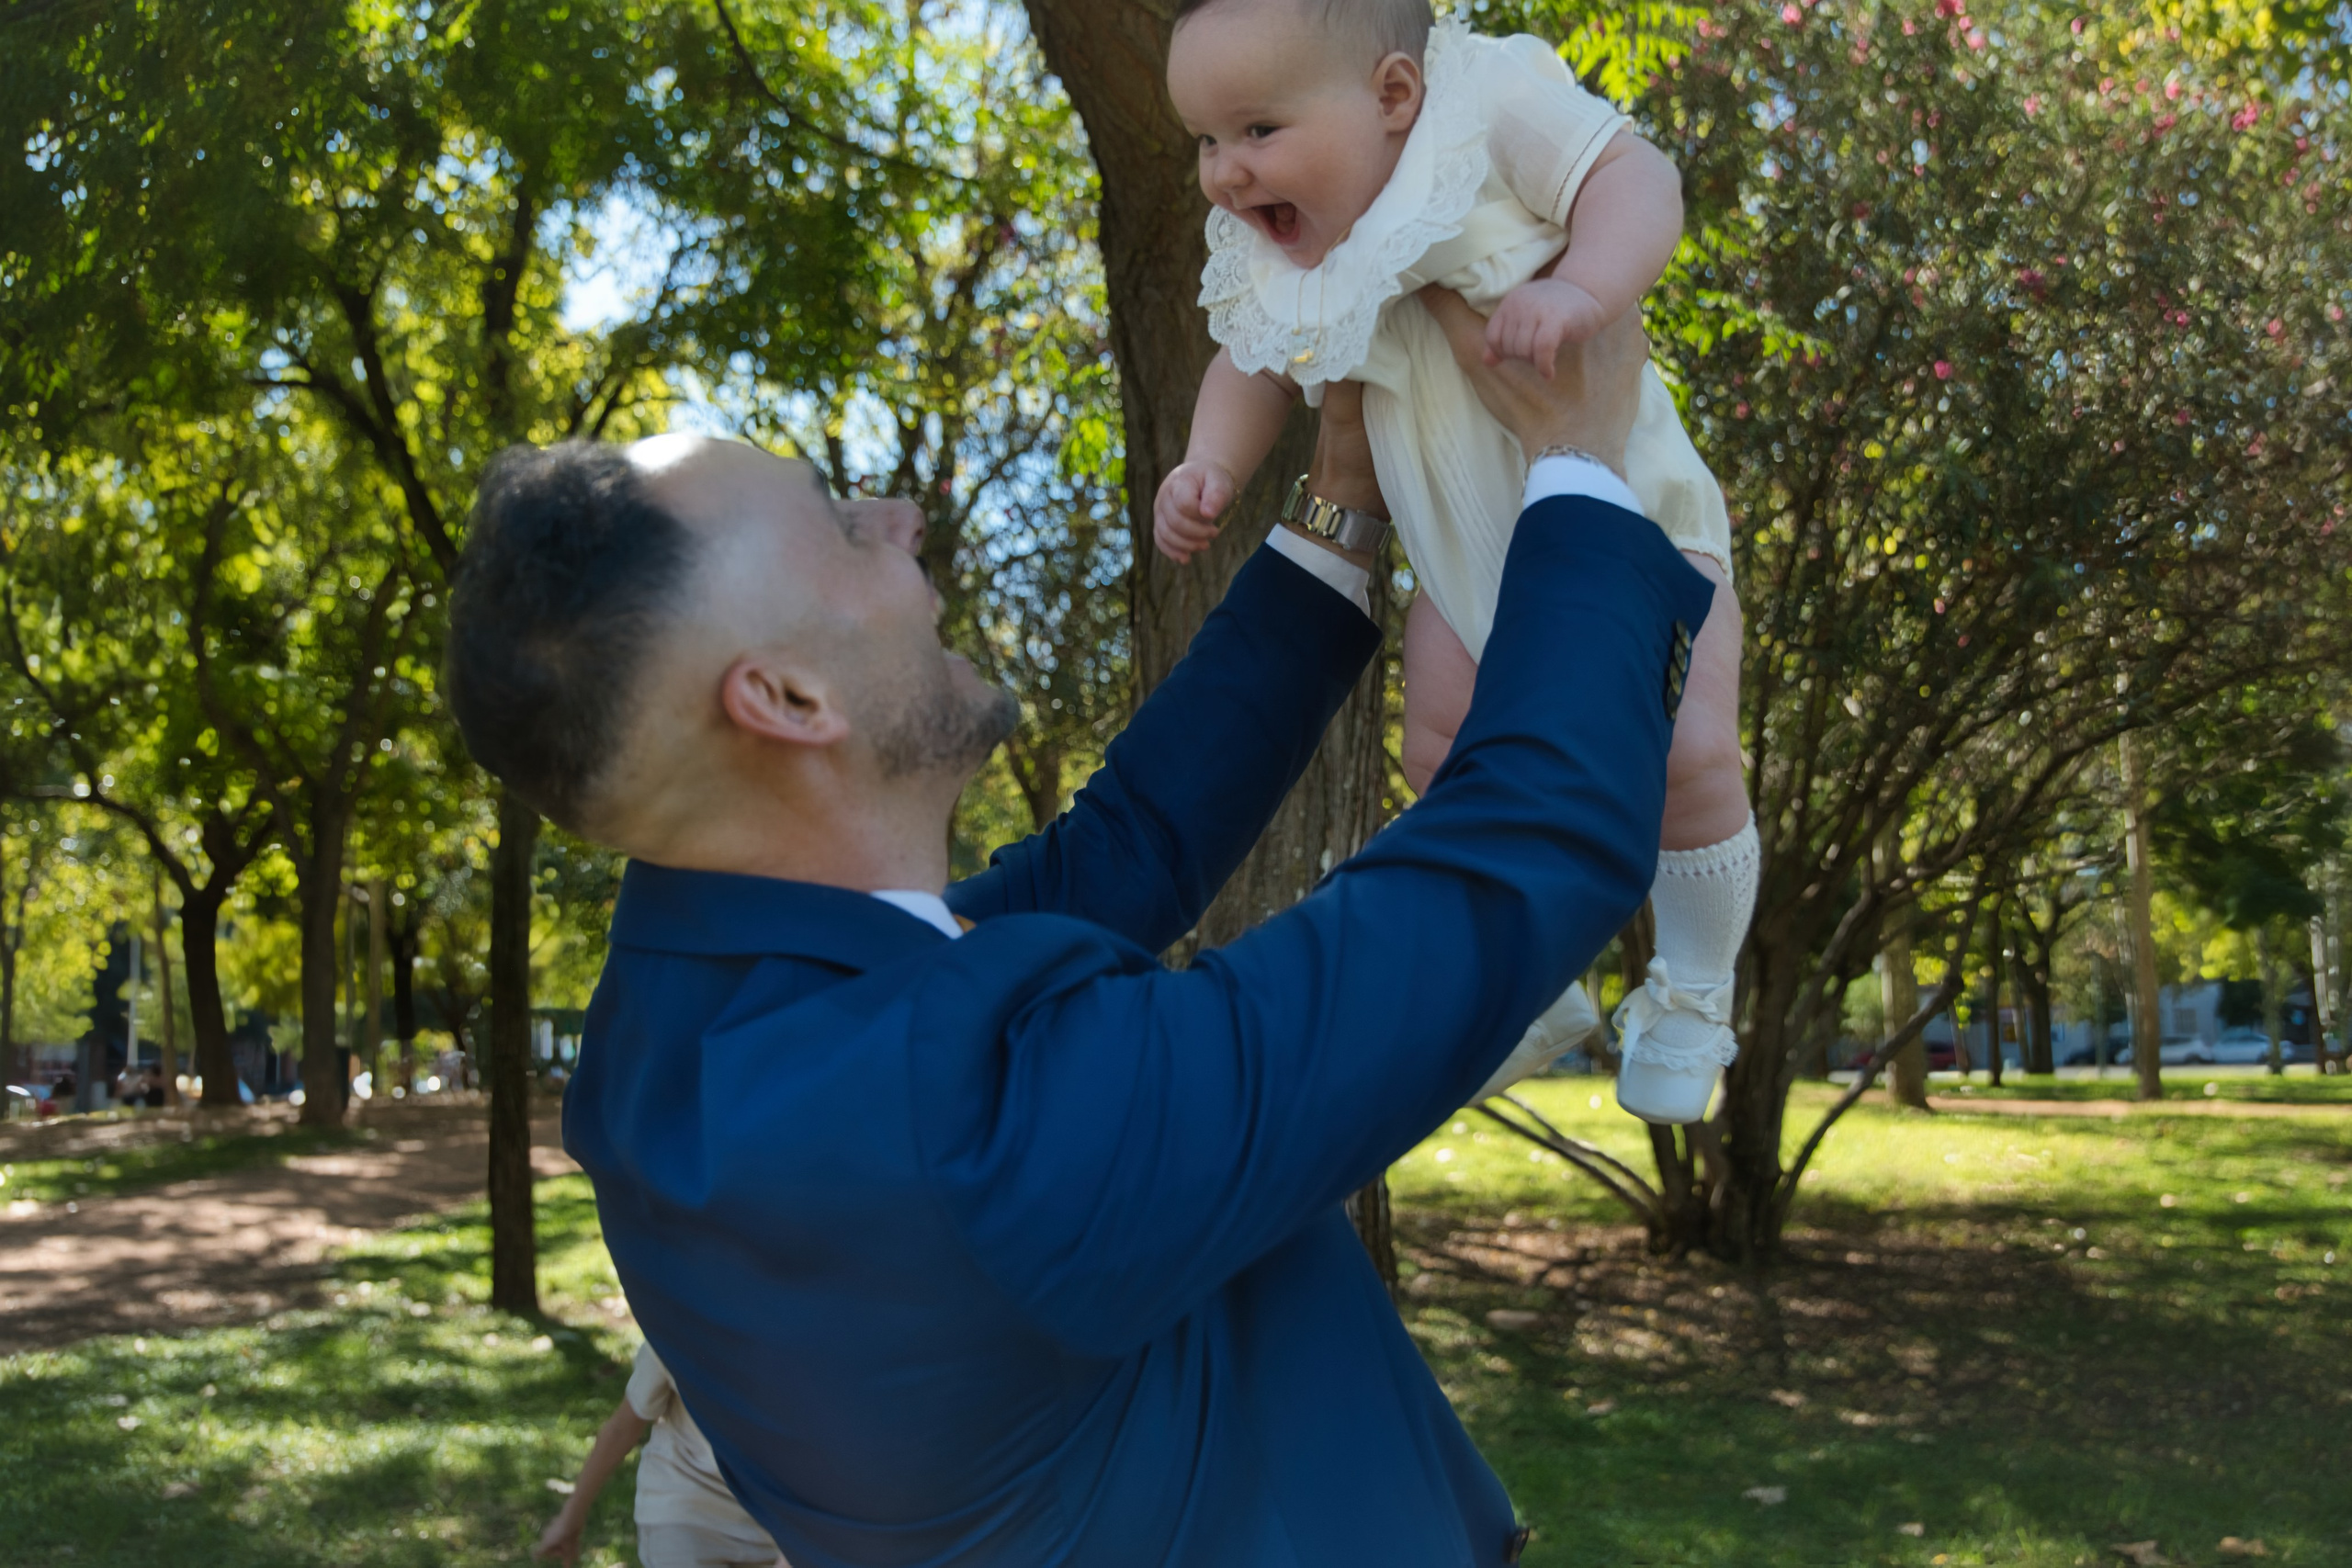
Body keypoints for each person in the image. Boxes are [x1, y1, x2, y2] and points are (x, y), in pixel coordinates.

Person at [442, 295, 1713, 1564]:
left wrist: (1341, 503)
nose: (901, 517)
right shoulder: (958, 1124)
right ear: (784, 698)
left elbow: (1124, 852)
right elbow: (1516, 863)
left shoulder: (685, 1041)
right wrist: (1583, 465)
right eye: (842, 526)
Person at [1154, 0, 1755, 1122]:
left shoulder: (1484, 104)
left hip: (1640, 528)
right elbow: (1252, 361)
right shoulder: (1286, 242)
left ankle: (1693, 991)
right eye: (1204, 142)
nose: (1224, 177)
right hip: (1461, 571)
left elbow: (1635, 180)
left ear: (1390, 95)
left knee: (1690, 757)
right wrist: (1206, 466)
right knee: (1439, 759)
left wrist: (1582, 287)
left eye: (1255, 131)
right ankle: (1529, 984)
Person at [534, 1340, 787, 1568]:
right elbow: (622, 1429)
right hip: (683, 1513)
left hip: (781, 1530)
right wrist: (570, 1518)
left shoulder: (814, 1336)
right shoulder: (681, 1324)